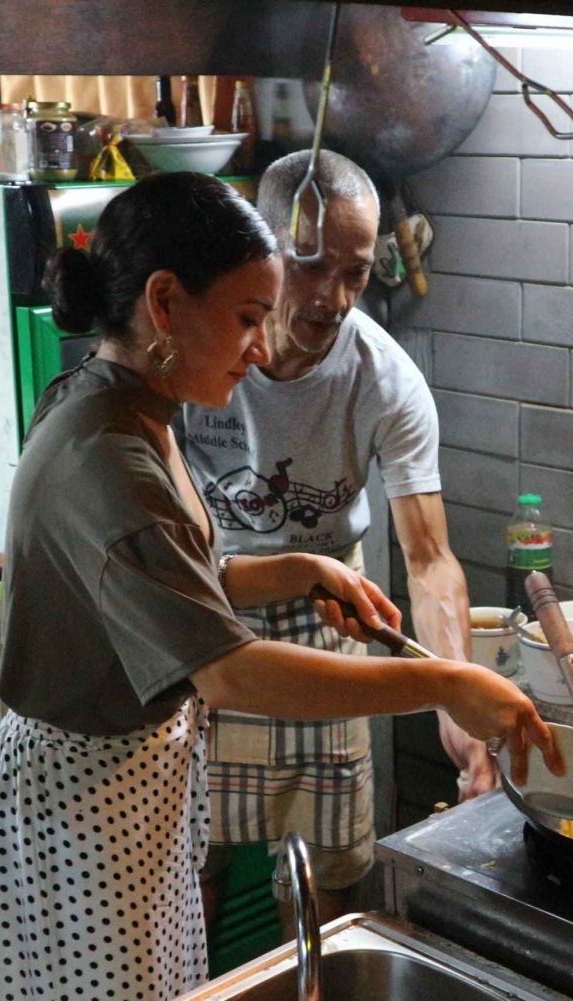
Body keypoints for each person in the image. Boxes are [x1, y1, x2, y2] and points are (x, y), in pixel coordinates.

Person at [0, 172, 559, 1001]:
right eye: (249, 317)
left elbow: (176, 576)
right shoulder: (109, 454)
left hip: (132, 787)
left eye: (356, 274)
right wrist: (445, 679)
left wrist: (299, 567)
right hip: (86, 808)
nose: (260, 346)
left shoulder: (131, 402)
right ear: (166, 302)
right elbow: (233, 672)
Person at [177, 149, 496, 925]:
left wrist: (457, 700)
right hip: (203, 609)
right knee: (189, 867)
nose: (332, 297)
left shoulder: (384, 378)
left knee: (332, 879)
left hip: (328, 620)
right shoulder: (199, 354)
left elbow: (428, 558)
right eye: (310, 265)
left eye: (355, 272)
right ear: (264, 250)